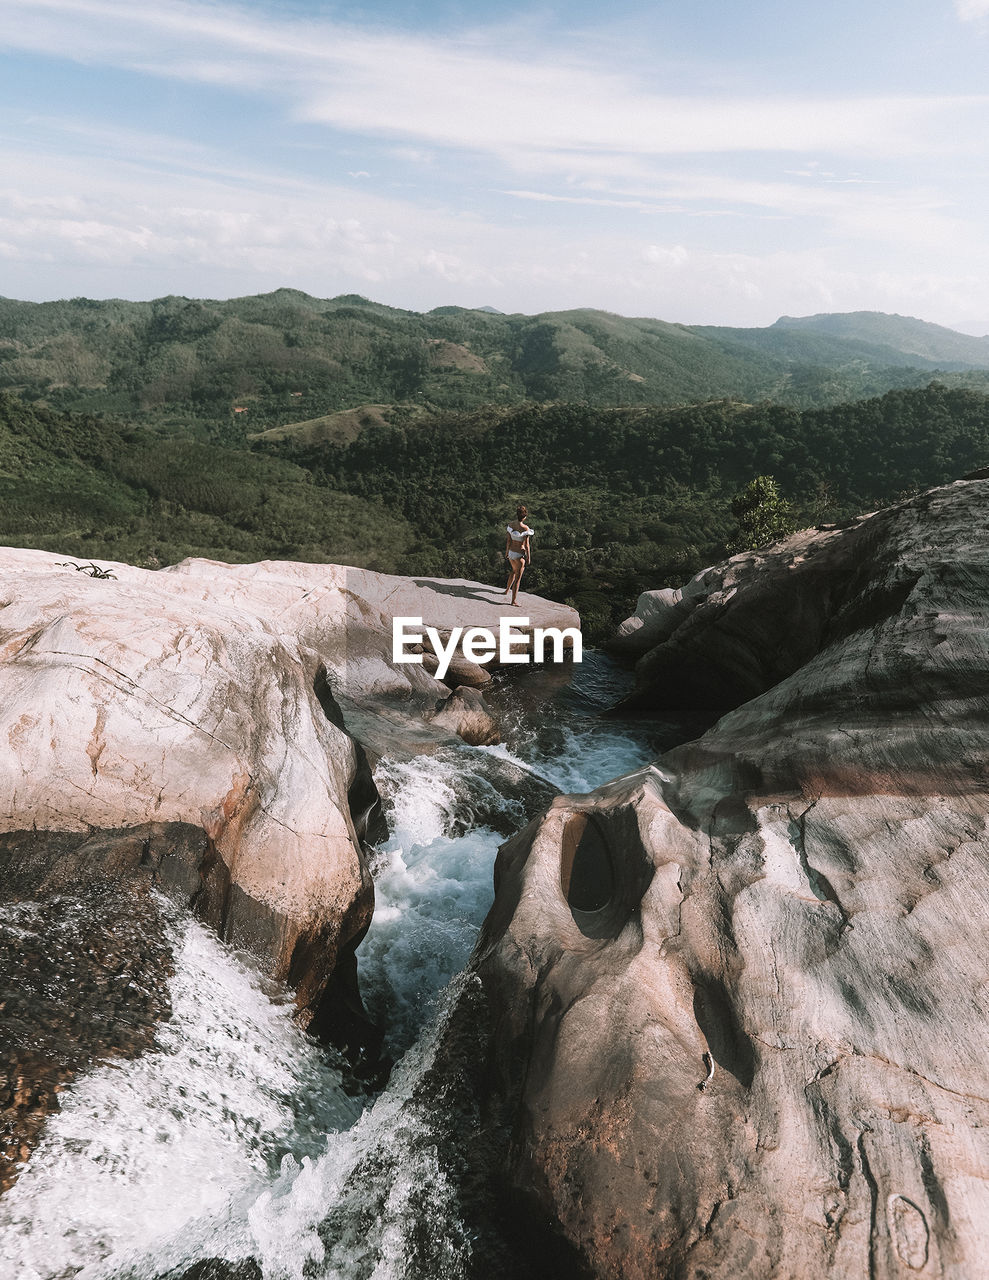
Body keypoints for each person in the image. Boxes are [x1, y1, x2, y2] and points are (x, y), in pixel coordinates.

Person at [503, 504, 533, 606]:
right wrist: (528, 558)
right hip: (519, 554)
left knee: (513, 571)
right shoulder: (525, 528)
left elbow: (508, 541)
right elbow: (527, 545)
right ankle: (513, 601)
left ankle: (507, 590)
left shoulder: (511, 525)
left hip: (511, 553)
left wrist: (506, 553)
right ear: (524, 517)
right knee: (518, 579)